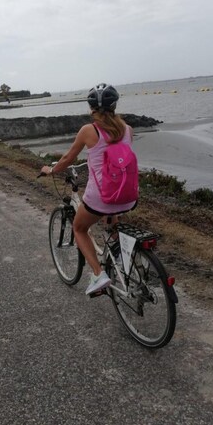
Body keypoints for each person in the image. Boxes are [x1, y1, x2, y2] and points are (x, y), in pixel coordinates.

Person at [41, 83, 137, 295]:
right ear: (114, 104)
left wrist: (52, 170)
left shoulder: (89, 130)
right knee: (110, 218)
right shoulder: (128, 129)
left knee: (79, 228)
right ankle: (119, 257)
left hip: (101, 198)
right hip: (128, 195)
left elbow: (68, 159)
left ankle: (98, 275)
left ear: (91, 107)